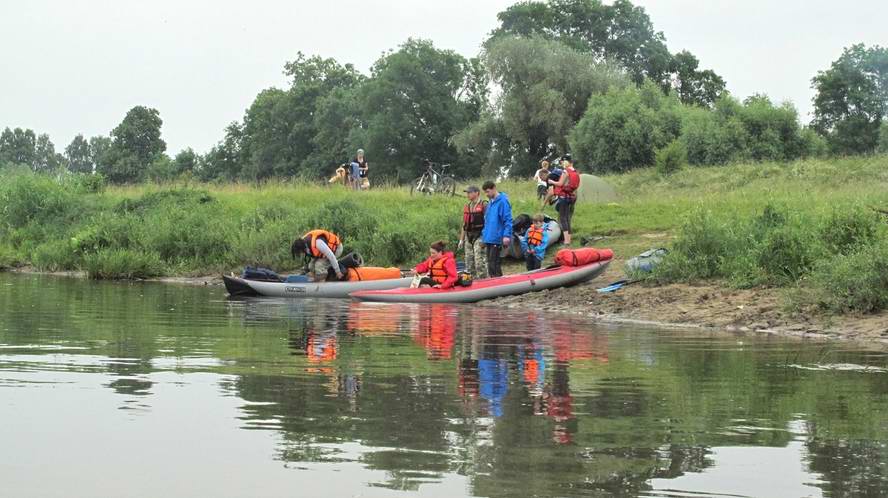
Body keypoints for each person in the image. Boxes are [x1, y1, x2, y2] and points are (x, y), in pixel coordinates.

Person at [481, 180, 513, 278]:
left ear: (494, 188)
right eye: (485, 192)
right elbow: (487, 221)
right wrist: (484, 237)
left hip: (497, 237)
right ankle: (494, 282)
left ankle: (498, 283)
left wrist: (506, 235)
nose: (486, 194)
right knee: (490, 263)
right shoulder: (490, 202)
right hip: (489, 237)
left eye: (488, 191)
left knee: (494, 263)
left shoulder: (503, 201)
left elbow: (508, 220)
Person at [548, 154, 581, 246]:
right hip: (570, 196)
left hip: (563, 197)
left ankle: (566, 241)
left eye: (562, 162)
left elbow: (560, 183)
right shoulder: (575, 172)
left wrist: (551, 182)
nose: (561, 164)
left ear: (565, 162)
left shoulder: (566, 171)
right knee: (567, 219)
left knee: (563, 219)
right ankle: (568, 239)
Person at [458, 185, 488, 279]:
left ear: (477, 193)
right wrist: (461, 240)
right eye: (467, 192)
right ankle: (473, 283)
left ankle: (484, 282)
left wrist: (485, 238)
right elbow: (464, 224)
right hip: (468, 236)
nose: (468, 194)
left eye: (470, 192)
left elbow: (489, 222)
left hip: (480, 235)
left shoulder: (484, 204)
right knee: (469, 262)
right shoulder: (467, 206)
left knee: (479, 262)